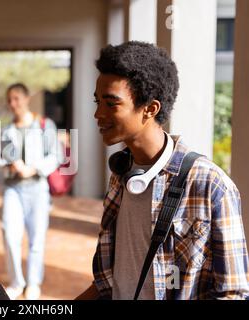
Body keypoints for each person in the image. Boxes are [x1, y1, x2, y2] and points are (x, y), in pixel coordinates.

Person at [76, 41, 249, 300]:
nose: (98, 113)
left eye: (111, 104)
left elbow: (233, 294)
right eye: (97, 101)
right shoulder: (121, 174)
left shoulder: (209, 184)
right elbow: (111, 284)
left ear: (150, 108)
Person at [0, 83, 59, 300]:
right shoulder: (5, 130)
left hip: (37, 188)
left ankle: (33, 283)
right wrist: (9, 166)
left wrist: (33, 168)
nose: (13, 104)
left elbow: (55, 156)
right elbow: (0, 159)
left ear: (26, 99)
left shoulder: (44, 125)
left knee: (36, 238)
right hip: (13, 188)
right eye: (9, 100)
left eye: (16, 98)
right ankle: (16, 282)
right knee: (10, 234)